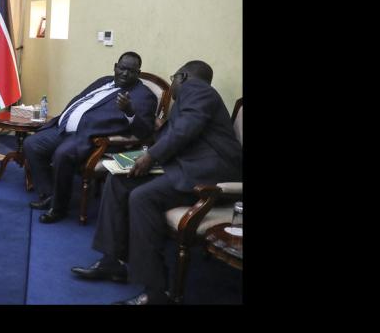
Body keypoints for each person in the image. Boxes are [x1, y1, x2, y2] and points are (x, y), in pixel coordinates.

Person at [71, 61, 242, 304]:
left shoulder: (198, 90)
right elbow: (174, 133)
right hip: (185, 166)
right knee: (119, 182)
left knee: (142, 197)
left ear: (183, 76)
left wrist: (151, 156)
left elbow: (185, 130)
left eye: (173, 79)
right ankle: (113, 262)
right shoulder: (192, 102)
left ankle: (155, 292)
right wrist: (145, 123)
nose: (172, 85)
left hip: (207, 175)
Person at [25, 51, 158, 223]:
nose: (125, 73)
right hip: (63, 129)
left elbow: (145, 131)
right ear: (115, 67)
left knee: (62, 154)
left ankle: (58, 208)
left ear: (138, 73)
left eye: (131, 71)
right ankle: (49, 194)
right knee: (31, 143)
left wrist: (129, 112)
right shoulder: (103, 81)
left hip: (89, 137)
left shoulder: (144, 95)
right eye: (122, 68)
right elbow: (81, 101)